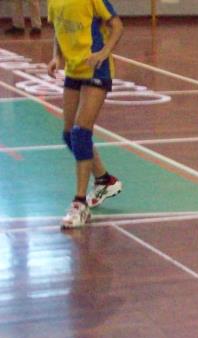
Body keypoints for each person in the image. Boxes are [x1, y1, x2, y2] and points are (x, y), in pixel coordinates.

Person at [46, 0, 124, 229]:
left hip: (96, 70)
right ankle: (104, 180)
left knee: (81, 133)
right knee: (69, 135)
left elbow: (117, 26)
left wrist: (104, 52)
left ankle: (79, 204)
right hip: (73, 70)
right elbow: (58, 30)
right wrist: (57, 57)